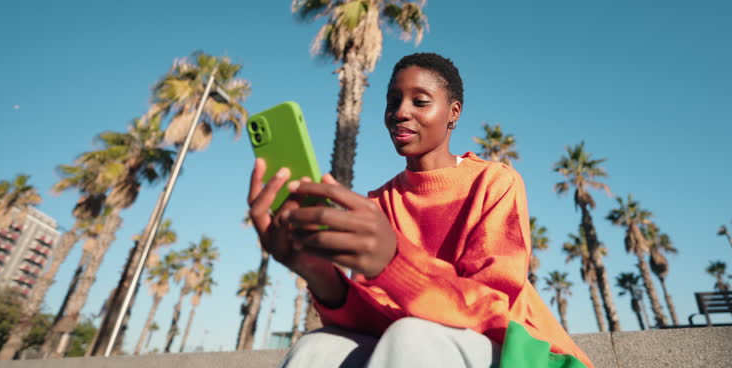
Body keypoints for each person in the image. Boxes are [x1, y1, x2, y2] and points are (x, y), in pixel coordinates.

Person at [247, 53, 593, 368]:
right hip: (412, 348)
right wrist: (322, 276)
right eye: (393, 102)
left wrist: (393, 263)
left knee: (412, 336)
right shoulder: (378, 203)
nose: (400, 112)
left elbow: (494, 307)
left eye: (420, 101)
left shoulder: (494, 181)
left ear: (453, 112)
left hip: (513, 353)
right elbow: (378, 320)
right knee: (317, 348)